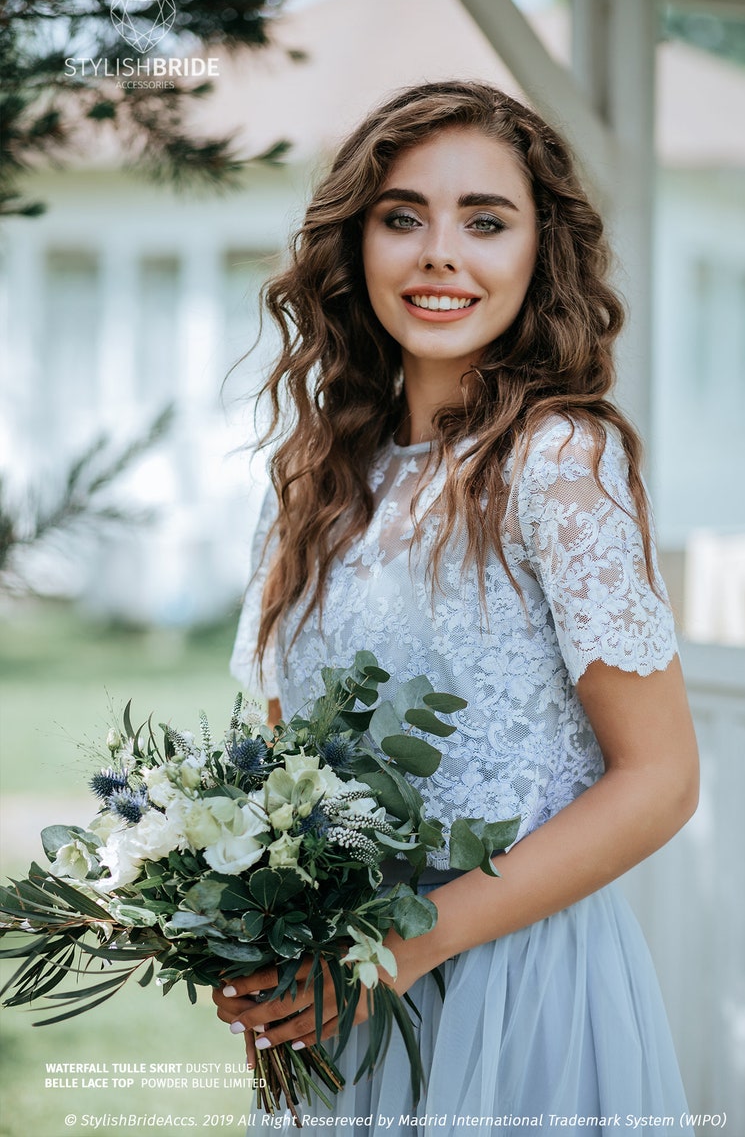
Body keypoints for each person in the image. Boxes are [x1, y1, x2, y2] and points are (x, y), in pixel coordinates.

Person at [213, 81, 700, 1136]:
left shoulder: (560, 462)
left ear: (539, 254)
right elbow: (288, 766)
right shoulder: (311, 481)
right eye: (402, 218)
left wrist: (410, 941)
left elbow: (659, 780)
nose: (439, 253)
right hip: (341, 985)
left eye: (484, 220)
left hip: (513, 982)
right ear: (356, 251)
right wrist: (253, 939)